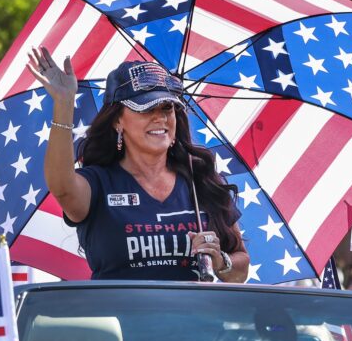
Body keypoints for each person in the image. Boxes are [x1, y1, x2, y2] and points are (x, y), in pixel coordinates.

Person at [28, 50, 249, 283]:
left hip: (197, 318)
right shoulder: (99, 182)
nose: (160, 118)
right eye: (145, 109)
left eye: (167, 107)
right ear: (117, 121)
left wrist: (220, 260)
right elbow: (62, 187)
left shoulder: (201, 181)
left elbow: (241, 271)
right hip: (119, 318)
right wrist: (64, 104)